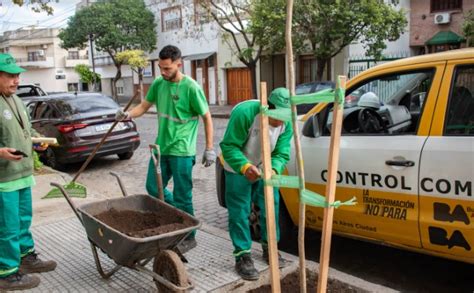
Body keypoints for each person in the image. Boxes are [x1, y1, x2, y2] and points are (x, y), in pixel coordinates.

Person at [116, 45, 216, 252]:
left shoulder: (191, 87)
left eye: (167, 68)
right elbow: (143, 107)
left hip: (182, 150)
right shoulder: (159, 83)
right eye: (160, 68)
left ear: (179, 64)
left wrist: (209, 148)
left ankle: (189, 235)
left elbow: (206, 117)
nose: (163, 72)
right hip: (160, 149)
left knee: (183, 196)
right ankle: (176, 215)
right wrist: (127, 115)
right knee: (153, 188)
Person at [219, 88, 293, 280]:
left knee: (271, 207)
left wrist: (274, 169)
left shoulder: (287, 123)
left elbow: (281, 152)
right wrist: (245, 167)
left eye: (285, 117)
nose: (281, 122)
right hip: (238, 167)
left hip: (265, 168)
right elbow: (228, 146)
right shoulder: (245, 113)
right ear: (268, 108)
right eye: (278, 117)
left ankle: (270, 248)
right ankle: (242, 255)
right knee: (240, 211)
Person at [0, 53, 57, 291]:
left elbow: (25, 129)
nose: (17, 80)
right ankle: (6, 273)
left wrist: (36, 142)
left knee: (23, 221)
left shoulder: (16, 99)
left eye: (17, 75)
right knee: (7, 227)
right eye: (11, 76)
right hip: (4, 179)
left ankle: (25, 258)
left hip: (22, 173)